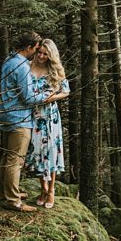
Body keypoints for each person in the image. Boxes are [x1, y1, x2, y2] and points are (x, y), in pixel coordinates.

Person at [0, 30, 50, 212]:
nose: (37, 53)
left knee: (6, 157)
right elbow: (28, 97)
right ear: (29, 47)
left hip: (5, 115)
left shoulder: (8, 61)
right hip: (19, 118)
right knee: (15, 160)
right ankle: (13, 201)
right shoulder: (21, 66)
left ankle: (5, 194)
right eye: (36, 49)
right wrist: (47, 95)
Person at [25, 39, 70, 208]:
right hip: (33, 114)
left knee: (51, 151)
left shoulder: (55, 70)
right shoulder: (28, 66)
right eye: (40, 53)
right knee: (37, 151)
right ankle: (42, 188)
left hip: (50, 116)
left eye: (45, 54)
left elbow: (66, 91)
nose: (42, 56)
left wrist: (51, 98)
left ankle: (51, 191)